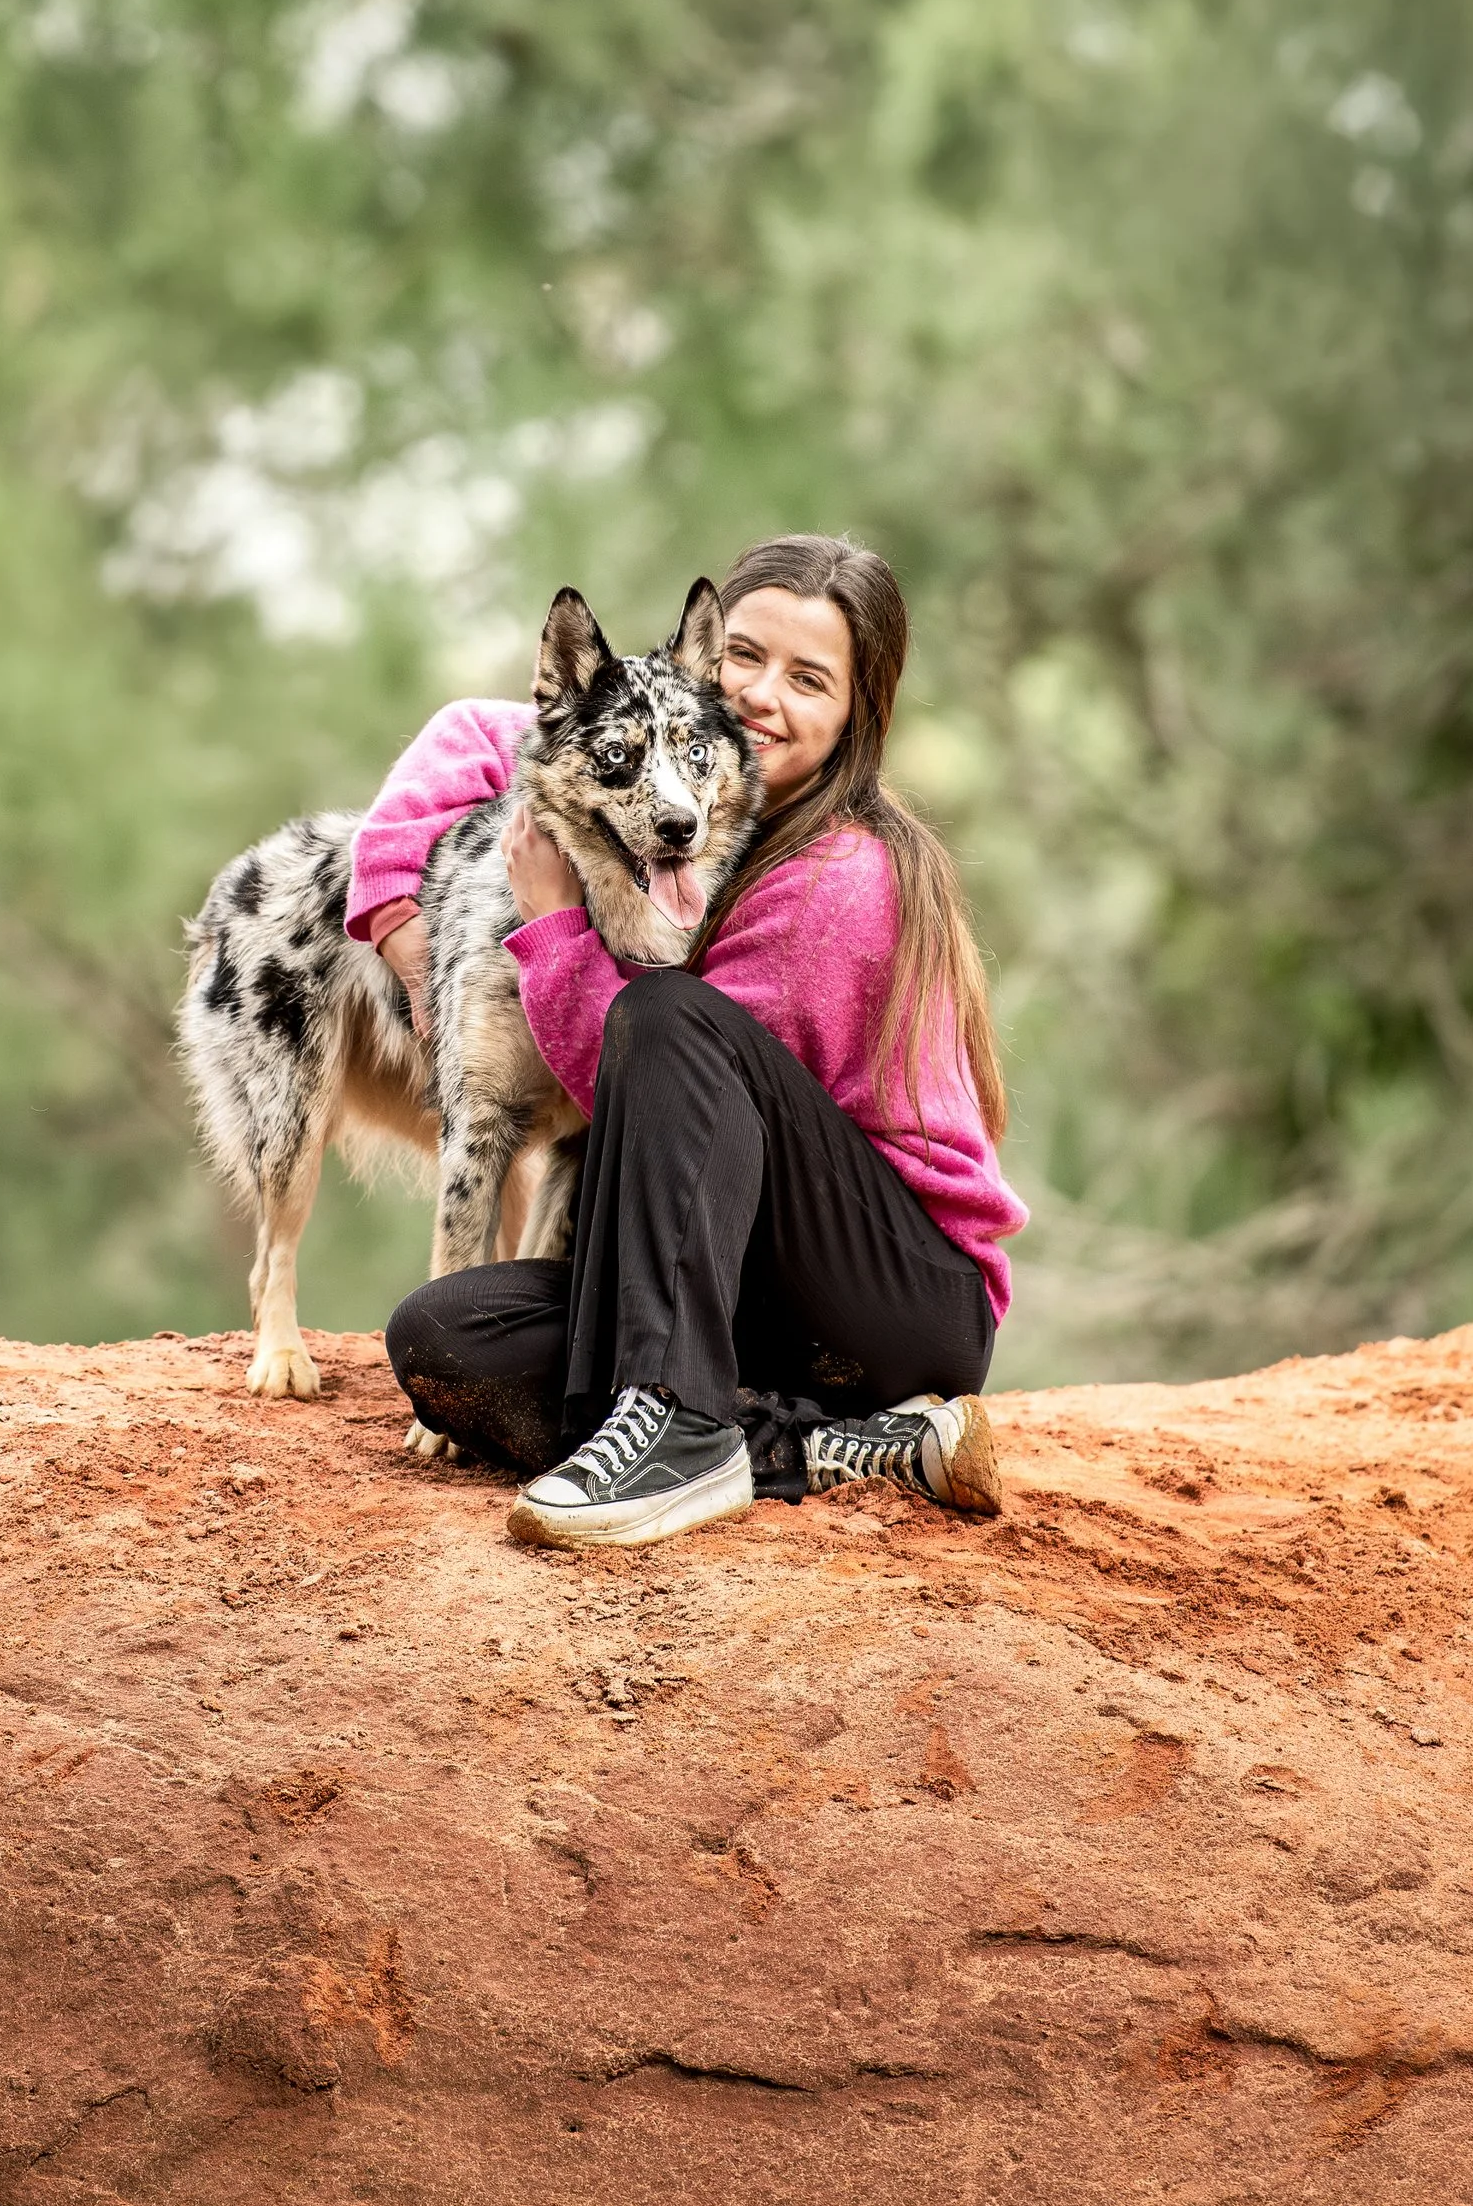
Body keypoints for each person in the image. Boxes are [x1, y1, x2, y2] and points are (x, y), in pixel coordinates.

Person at [365, 533, 1026, 1550]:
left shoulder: (830, 877)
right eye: (744, 658)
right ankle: (828, 1449)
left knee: (667, 1015)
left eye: (809, 679)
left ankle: (681, 1424)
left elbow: (654, 1107)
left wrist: (549, 925)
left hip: (889, 1292)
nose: (762, 696)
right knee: (448, 1335)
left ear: (858, 714)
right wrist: (384, 891)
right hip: (746, 1273)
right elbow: (501, 734)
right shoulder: (703, 799)